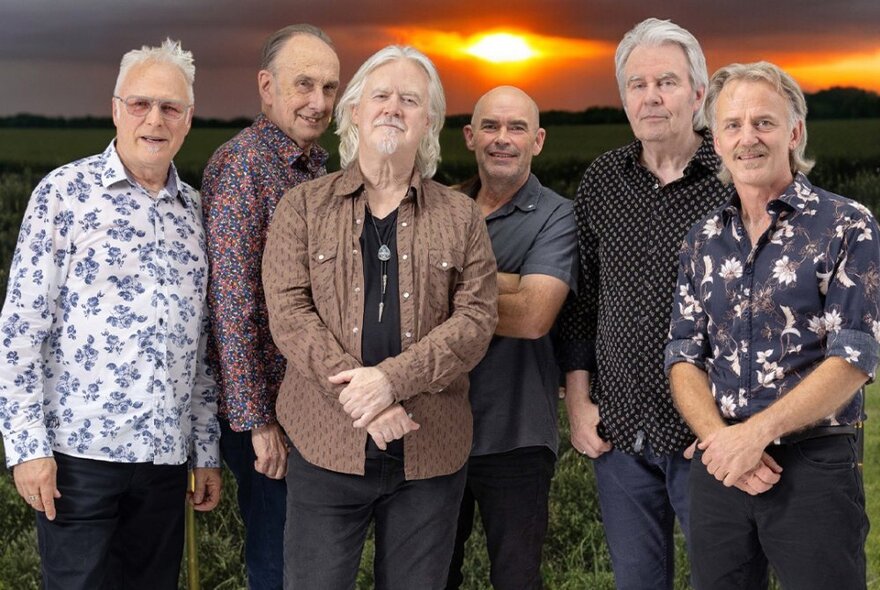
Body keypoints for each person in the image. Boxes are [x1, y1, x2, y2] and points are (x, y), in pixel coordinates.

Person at [262, 45, 498, 589]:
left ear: (430, 122)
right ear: (353, 112)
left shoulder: (462, 217)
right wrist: (366, 405)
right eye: (382, 95)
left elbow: (476, 321)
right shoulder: (301, 207)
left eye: (410, 100)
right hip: (325, 447)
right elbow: (290, 314)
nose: (394, 107)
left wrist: (390, 382)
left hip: (430, 451)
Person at [0, 39, 220, 589]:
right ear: (116, 108)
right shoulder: (64, 195)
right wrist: (27, 449)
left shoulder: (196, 213)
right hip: (78, 460)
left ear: (188, 120)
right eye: (141, 104)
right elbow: (21, 331)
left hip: (164, 462)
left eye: (170, 108)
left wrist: (206, 449)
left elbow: (199, 350)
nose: (155, 120)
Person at [666, 61, 879, 590]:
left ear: (794, 132)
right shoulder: (701, 240)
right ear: (715, 140)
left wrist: (755, 436)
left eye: (764, 122)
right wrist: (723, 442)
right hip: (719, 468)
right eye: (733, 125)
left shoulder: (847, 224)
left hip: (814, 464)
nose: (748, 138)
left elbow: (853, 356)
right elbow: (682, 355)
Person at [557, 18, 734, 589]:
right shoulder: (603, 180)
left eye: (668, 82)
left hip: (709, 437)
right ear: (624, 96)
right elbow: (582, 303)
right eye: (638, 84)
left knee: (726, 577)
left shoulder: (732, 180)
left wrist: (726, 427)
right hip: (620, 435)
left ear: (699, 94)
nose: (652, 97)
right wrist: (580, 402)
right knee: (636, 581)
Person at [200, 24, 340, 590]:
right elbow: (231, 307)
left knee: (311, 553)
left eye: (330, 88)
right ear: (266, 86)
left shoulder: (318, 165)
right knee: (279, 558)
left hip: (311, 403)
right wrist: (258, 422)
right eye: (303, 84)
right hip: (266, 412)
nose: (319, 102)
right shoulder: (243, 167)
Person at [446, 86, 577, 590]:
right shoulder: (444, 206)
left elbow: (531, 316)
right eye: (491, 127)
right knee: (430, 575)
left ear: (538, 140)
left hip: (516, 433)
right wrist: (508, 279)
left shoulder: (556, 215)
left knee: (517, 578)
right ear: (470, 136)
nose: (503, 139)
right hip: (435, 430)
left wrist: (447, 281)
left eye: (517, 128)